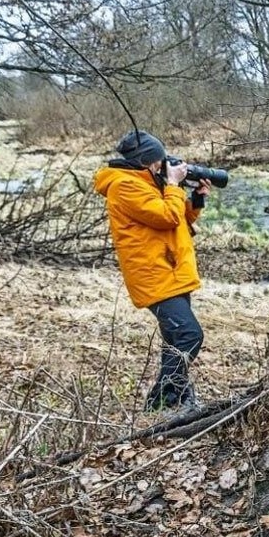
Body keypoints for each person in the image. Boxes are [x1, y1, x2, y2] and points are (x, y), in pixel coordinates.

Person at [93, 130, 212, 411]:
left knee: (173, 341)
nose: (163, 165)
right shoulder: (124, 186)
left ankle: (178, 399)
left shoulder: (146, 182)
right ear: (146, 161)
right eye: (159, 161)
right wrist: (173, 184)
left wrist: (196, 199)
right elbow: (166, 216)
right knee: (189, 334)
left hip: (170, 271)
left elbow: (179, 218)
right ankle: (161, 402)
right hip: (154, 274)